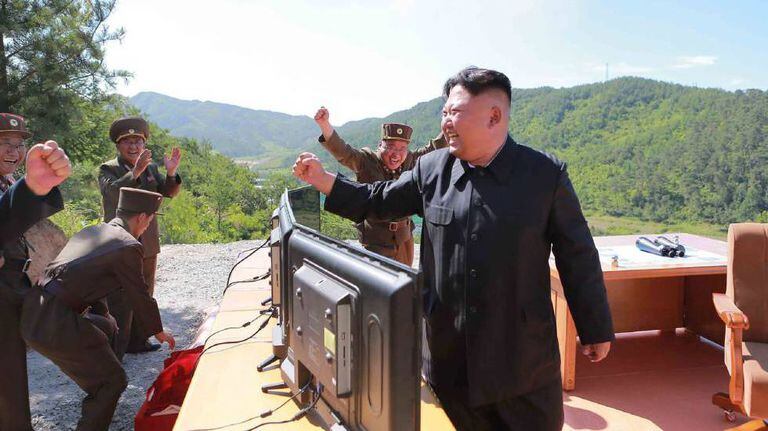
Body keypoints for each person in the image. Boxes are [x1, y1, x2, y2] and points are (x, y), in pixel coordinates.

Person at [294, 67, 614, 431]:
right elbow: (378, 200)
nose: (446, 121)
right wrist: (323, 180)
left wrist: (595, 327)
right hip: (450, 361)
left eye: (455, 112)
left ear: (494, 116)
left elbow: (578, 255)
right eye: (444, 112)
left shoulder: (544, 175)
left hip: (522, 364)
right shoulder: (432, 169)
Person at [20, 187, 176, 431]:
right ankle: (102, 392)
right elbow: (139, 293)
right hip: (54, 321)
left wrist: (105, 316)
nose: (148, 226)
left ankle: (101, 387)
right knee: (113, 381)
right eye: (150, 220)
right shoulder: (128, 245)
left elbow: (87, 278)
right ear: (142, 217)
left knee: (107, 326)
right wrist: (157, 330)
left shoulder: (94, 231)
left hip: (34, 311)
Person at [0, 112, 70, 431]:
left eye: (18, 145)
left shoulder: (9, 181)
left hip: (14, 283)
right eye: (5, 143)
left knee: (12, 372)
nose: (13, 151)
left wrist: (33, 187)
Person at [314, 107, 446, 266]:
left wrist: (450, 123)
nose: (396, 154)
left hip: (405, 239)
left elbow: (434, 148)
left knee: (406, 278)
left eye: (402, 148)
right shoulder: (366, 161)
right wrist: (324, 124)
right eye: (390, 147)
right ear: (379, 145)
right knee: (379, 280)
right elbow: (344, 152)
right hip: (377, 243)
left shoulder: (410, 160)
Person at [99, 116, 181, 356]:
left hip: (148, 239)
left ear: (144, 144)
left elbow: (167, 192)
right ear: (118, 145)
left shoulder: (152, 168)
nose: (133, 147)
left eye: (138, 141)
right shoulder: (108, 169)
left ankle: (139, 340)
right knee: (120, 296)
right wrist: (135, 172)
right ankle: (117, 348)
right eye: (127, 142)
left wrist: (171, 173)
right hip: (120, 242)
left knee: (145, 290)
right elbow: (112, 193)